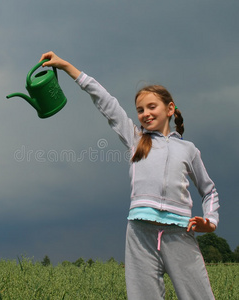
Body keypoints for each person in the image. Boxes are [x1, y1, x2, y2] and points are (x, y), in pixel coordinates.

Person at [39, 51, 219, 300]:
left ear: (170, 109)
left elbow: (209, 190)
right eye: (140, 110)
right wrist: (68, 67)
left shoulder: (188, 150)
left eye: (151, 107)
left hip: (179, 234)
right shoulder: (136, 141)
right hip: (139, 234)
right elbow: (106, 102)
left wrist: (210, 222)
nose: (145, 114)